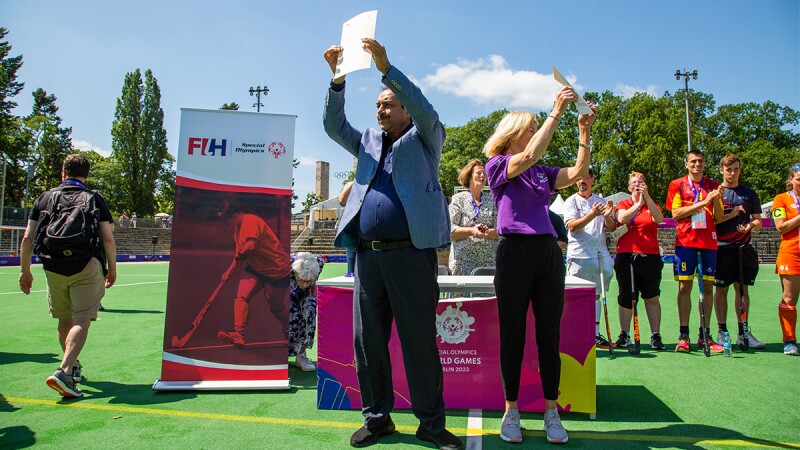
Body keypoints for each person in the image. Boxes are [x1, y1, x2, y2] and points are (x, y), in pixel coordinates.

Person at [323, 39, 463, 450]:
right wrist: (337, 81)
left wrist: (387, 69)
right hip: (368, 259)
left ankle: (432, 425)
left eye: (389, 103)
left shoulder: (426, 138)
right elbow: (334, 127)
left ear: (404, 108)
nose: (382, 110)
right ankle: (378, 417)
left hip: (411, 256)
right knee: (367, 344)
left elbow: (425, 108)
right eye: (379, 105)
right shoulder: (366, 141)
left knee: (419, 342)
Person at [484, 92, 596, 444]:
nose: (536, 133)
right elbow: (530, 153)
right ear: (514, 132)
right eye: (531, 127)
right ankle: (511, 410)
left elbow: (577, 172)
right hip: (513, 253)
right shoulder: (497, 164)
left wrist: (583, 133)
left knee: (549, 336)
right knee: (513, 336)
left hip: (548, 254)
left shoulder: (541, 173)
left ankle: (551, 412)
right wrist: (556, 112)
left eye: (538, 127)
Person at [18, 154, 117, 398]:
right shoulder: (94, 199)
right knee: (81, 318)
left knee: (63, 318)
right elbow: (107, 238)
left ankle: (73, 368)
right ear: (87, 173)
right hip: (86, 263)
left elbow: (28, 237)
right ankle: (64, 370)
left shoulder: (44, 197)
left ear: (63, 172)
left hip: (53, 265)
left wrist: (25, 270)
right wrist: (112, 267)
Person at [666, 150, 724, 353]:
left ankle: (704, 334)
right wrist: (703, 202)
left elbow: (719, 217)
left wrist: (715, 199)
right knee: (685, 287)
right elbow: (675, 213)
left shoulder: (714, 185)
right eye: (693, 161)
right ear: (686, 164)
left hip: (708, 241)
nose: (697, 164)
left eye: (700, 161)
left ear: (705, 164)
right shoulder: (677, 184)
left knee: (708, 288)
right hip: (686, 240)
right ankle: (684, 335)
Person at [216, 201, 290, 348]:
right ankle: (239, 334)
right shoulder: (238, 230)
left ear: (235, 215)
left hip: (277, 270)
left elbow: (250, 246)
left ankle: (289, 329)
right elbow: (239, 256)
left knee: (276, 308)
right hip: (256, 268)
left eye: (226, 219)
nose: (225, 223)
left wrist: (241, 255)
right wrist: (228, 273)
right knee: (241, 297)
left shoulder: (250, 221)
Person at [713, 154, 765, 349]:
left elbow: (759, 221)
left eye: (735, 169)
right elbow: (715, 221)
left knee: (742, 289)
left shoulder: (749, 193)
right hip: (721, 248)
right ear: (721, 171)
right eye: (728, 170)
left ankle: (743, 332)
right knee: (721, 290)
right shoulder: (716, 193)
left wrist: (749, 226)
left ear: (740, 170)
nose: (732, 173)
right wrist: (731, 215)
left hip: (743, 248)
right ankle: (721, 331)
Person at [563, 168, 616, 348]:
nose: (582, 181)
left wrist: (608, 216)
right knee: (574, 296)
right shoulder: (571, 201)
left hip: (598, 255)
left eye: (585, 178)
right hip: (578, 255)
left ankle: (594, 334)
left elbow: (611, 227)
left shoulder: (600, 201)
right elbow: (572, 227)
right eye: (579, 178)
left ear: (592, 180)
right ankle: (574, 332)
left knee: (596, 295)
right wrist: (592, 214)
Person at [613, 172, 665, 350]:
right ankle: (625, 334)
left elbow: (659, 219)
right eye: (634, 182)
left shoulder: (652, 204)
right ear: (629, 187)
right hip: (626, 256)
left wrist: (647, 199)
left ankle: (655, 335)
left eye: (641, 182)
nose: (637, 185)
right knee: (626, 296)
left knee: (651, 296)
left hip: (649, 256)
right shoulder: (623, 204)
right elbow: (621, 218)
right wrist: (638, 205)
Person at [448, 159, 499, 275]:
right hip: (462, 262)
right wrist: (472, 231)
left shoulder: (492, 200)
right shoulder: (458, 199)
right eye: (479, 173)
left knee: (489, 293)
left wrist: (487, 232)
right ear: (469, 177)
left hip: (488, 262)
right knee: (463, 293)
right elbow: (450, 231)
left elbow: (499, 230)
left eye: (485, 174)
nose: (483, 176)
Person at [771, 163, 800, 356]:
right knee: (789, 298)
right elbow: (781, 227)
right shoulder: (781, 199)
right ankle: (789, 340)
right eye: (798, 179)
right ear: (791, 180)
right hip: (792, 253)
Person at [288, 252, 325, 371]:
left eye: (309, 281)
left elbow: (310, 281)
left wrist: (311, 283)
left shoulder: (318, 263)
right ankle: (280, 353)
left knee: (309, 310)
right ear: (296, 273)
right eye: (303, 280)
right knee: (292, 314)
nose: (305, 284)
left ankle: (301, 355)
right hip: (286, 290)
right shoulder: (285, 264)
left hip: (306, 295)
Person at [338, 181, 356, 277]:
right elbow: (342, 201)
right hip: (352, 233)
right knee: (351, 266)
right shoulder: (351, 184)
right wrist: (354, 183)